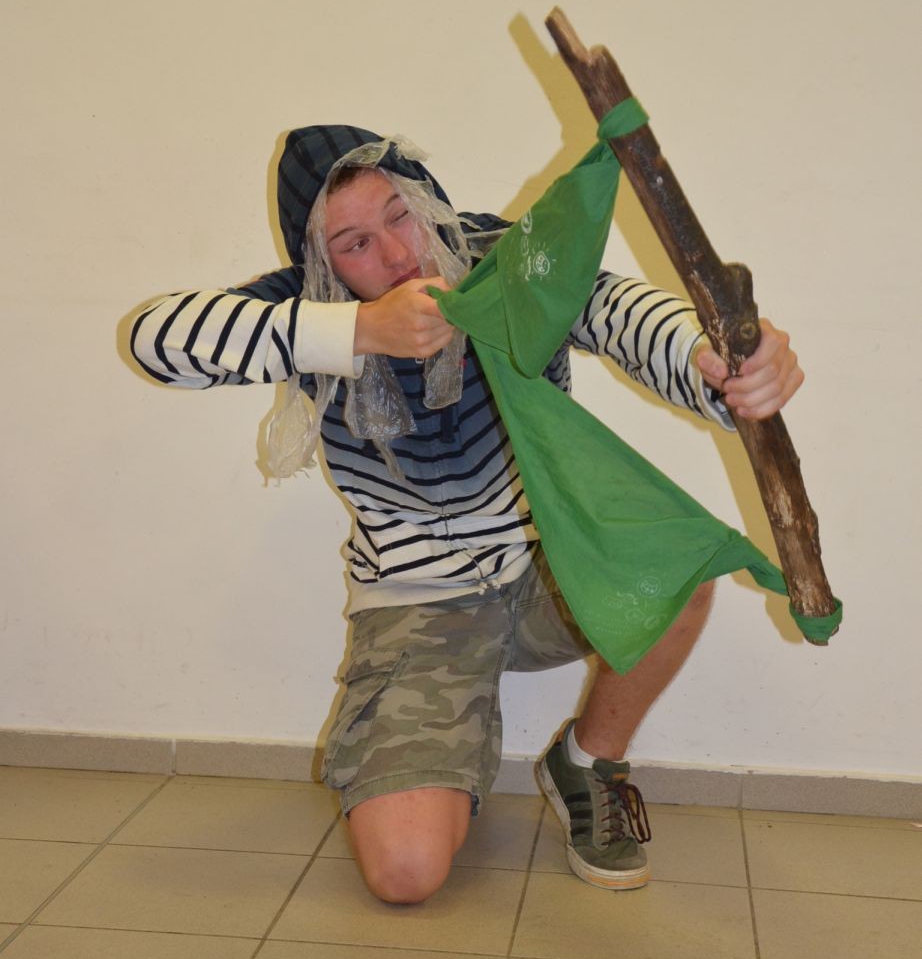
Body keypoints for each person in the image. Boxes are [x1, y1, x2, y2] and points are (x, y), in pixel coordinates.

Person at [129, 124, 803, 903]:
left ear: (424, 198)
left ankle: (586, 765)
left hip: (547, 573)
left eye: (399, 215)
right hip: (416, 609)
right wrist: (357, 330)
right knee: (405, 873)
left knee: (676, 563)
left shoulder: (506, 261)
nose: (395, 253)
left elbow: (615, 308)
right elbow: (155, 339)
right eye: (354, 243)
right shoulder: (308, 306)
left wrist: (715, 366)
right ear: (321, 259)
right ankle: (446, 739)